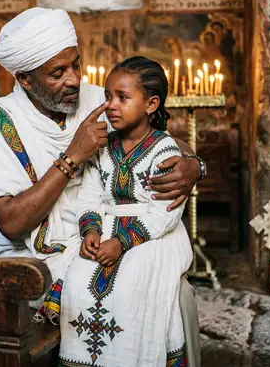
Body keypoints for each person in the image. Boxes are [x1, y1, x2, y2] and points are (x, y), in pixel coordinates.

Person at [0, 7, 203, 366]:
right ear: (26, 79)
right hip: (34, 260)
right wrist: (73, 156)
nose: (74, 79)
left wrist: (195, 166)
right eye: (58, 73)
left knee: (166, 286)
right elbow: (11, 223)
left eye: (76, 64)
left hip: (98, 235)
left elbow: (161, 143)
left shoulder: (97, 99)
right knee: (136, 292)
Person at [59, 56, 194, 367]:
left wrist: (121, 242)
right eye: (108, 96)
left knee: (133, 280)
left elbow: (165, 213)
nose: (111, 105)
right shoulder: (103, 146)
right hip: (108, 229)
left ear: (151, 104)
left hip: (156, 237)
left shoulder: (164, 151)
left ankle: (133, 358)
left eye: (122, 97)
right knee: (79, 275)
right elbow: (90, 195)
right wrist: (91, 230)